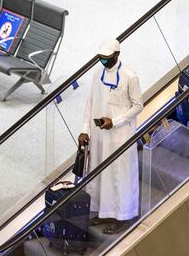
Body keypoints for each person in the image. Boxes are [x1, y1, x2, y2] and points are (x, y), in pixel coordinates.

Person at [78, 38, 144, 234]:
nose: (103, 61)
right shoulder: (98, 73)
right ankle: (102, 212)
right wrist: (84, 129)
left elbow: (138, 105)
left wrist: (115, 121)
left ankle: (121, 217)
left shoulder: (130, 76)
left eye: (107, 58)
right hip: (99, 137)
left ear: (117, 55)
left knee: (118, 177)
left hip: (119, 137)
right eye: (101, 57)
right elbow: (90, 101)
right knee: (99, 175)